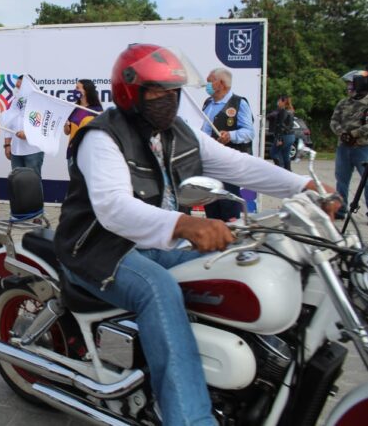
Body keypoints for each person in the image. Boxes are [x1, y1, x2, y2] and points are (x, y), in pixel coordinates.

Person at [53, 43, 339, 426]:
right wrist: (186, 225)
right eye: (157, 92)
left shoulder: (178, 132)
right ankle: (188, 417)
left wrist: (303, 186)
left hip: (161, 242)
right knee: (159, 290)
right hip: (100, 249)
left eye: (173, 92)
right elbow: (114, 209)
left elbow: (239, 165)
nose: (168, 100)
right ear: (130, 92)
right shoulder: (103, 137)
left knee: (242, 264)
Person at [200, 67, 254, 221]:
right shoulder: (208, 103)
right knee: (211, 205)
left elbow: (249, 132)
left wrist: (230, 135)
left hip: (227, 163)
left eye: (210, 81)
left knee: (227, 205)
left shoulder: (239, 103)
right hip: (209, 163)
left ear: (221, 83)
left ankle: (230, 238)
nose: (207, 85)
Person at [331, 72, 368, 219]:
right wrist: (342, 134)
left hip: (362, 147)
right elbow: (333, 121)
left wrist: (354, 134)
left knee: (366, 181)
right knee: (341, 180)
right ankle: (340, 210)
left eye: (352, 85)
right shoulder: (343, 102)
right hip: (343, 147)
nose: (349, 87)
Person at [3, 75, 45, 177]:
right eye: (16, 86)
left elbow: (44, 125)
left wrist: (28, 134)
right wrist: (7, 145)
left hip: (33, 151)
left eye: (19, 86)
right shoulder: (14, 102)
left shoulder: (40, 101)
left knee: (33, 182)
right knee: (17, 182)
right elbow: (8, 124)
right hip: (16, 151)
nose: (16, 88)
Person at [63, 79, 104, 159]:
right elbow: (67, 132)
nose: (75, 90)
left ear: (86, 91)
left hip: (89, 153)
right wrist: (65, 124)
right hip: (72, 152)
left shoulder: (97, 110)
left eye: (78, 88)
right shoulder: (74, 108)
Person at [269, 96, 295, 171]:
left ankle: (281, 171)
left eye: (279, 101)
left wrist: (279, 138)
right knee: (285, 155)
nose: (278, 102)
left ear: (283, 102)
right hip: (291, 136)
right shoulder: (291, 110)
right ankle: (288, 171)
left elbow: (281, 125)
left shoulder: (283, 111)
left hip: (284, 135)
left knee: (274, 153)